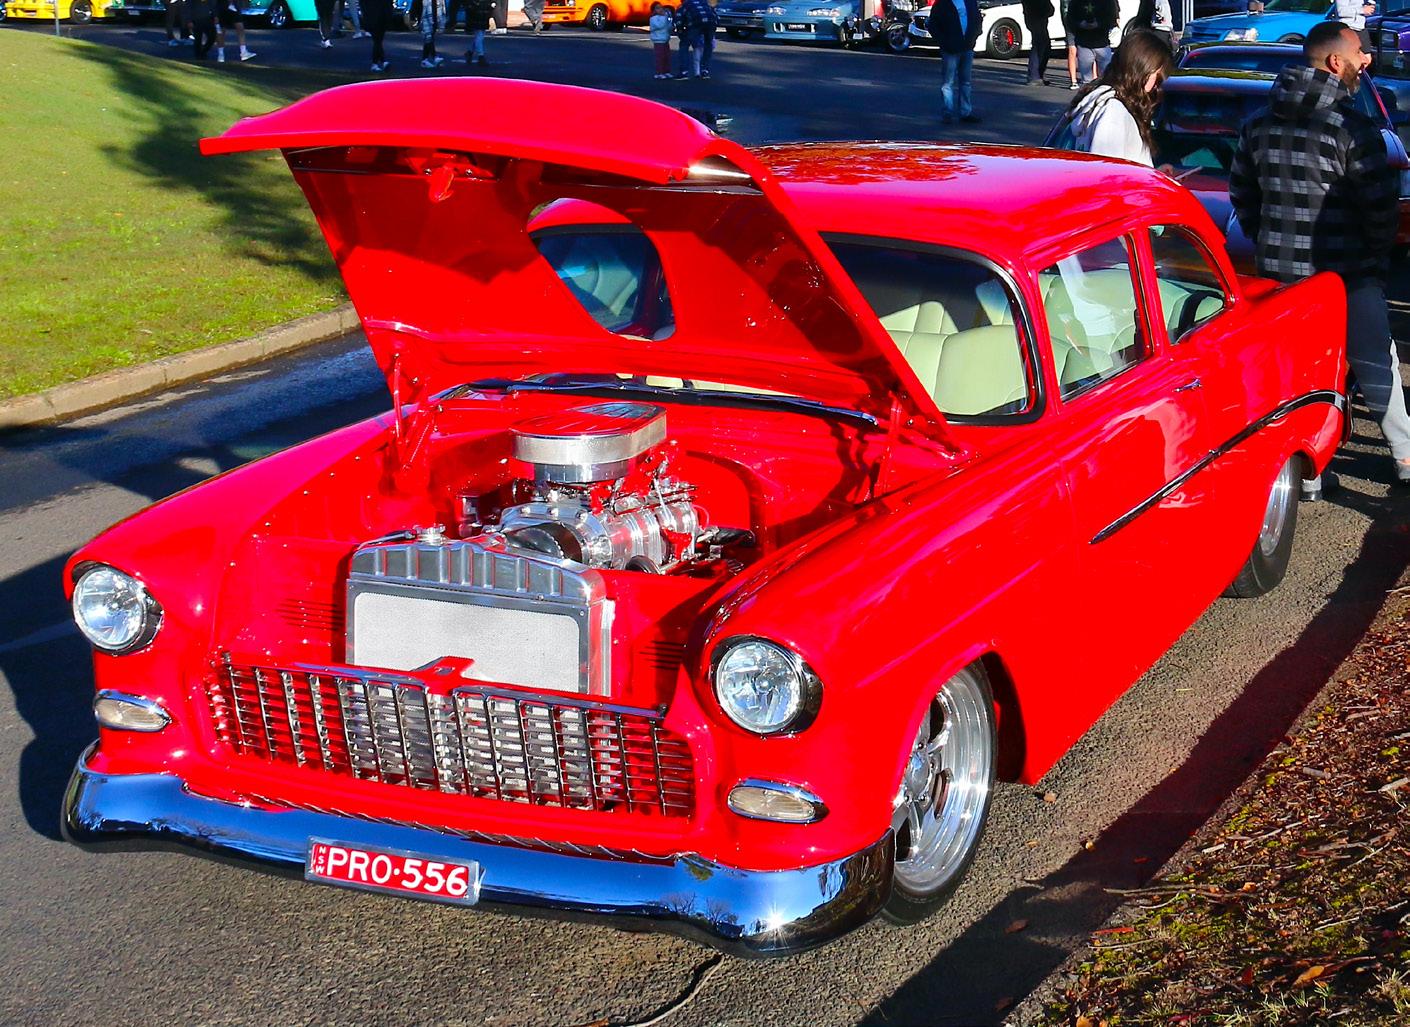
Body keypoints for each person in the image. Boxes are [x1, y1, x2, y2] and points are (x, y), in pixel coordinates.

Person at [1230, 22, 1410, 490]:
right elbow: (1380, 209)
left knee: (1298, 375)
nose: (1365, 61)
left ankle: (1308, 474)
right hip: (1349, 273)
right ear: (1334, 62)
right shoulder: (1353, 129)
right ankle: (1406, 456)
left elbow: (1242, 195)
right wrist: (1375, 260)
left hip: (1281, 277)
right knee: (1375, 362)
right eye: (1357, 54)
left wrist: (1267, 239)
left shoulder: (1257, 124)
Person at [1067, 29, 1173, 164]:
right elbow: (1106, 171)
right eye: (1157, 78)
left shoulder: (1102, 101)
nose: (1156, 87)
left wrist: (1152, 173)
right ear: (1143, 71)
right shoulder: (1114, 113)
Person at [928, 0, 983, 124]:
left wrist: (974, 37)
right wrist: (944, 43)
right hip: (950, 50)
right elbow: (933, 25)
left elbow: (977, 19)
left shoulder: (970, 2)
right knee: (948, 82)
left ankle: (965, 112)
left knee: (966, 82)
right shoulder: (942, 3)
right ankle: (947, 112)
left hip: (967, 47)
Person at [1065, 0, 1117, 83]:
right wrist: (1080, 24)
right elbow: (1070, 19)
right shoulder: (1076, 2)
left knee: (1106, 78)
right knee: (1086, 80)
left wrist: (1099, 24)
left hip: (1102, 43)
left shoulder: (1107, 2)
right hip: (1084, 43)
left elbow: (1112, 18)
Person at [676, 0, 718, 79]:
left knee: (684, 44)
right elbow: (714, 14)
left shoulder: (684, 5)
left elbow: (679, 19)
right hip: (711, 22)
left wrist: (680, 31)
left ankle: (684, 72)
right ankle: (705, 70)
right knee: (708, 44)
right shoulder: (704, 2)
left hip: (696, 23)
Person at [1023, 0, 1054, 85]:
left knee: (1045, 46)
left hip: (1035, 16)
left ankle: (1038, 74)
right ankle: (1034, 76)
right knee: (1039, 46)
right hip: (1037, 16)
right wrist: (1048, 10)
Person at [364, 0, 392, 69]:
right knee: (378, 40)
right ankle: (379, 62)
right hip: (379, 15)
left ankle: (379, 62)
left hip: (376, 15)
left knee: (378, 40)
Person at [650, 2, 673, 79]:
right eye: (657, 8)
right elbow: (659, 25)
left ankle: (666, 71)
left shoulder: (665, 17)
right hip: (658, 40)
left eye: (661, 8)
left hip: (665, 39)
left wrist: (670, 24)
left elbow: (668, 27)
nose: (660, 10)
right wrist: (664, 17)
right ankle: (659, 73)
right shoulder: (653, 18)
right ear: (653, 10)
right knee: (660, 57)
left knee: (666, 57)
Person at [420, 0, 445, 66]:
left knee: (429, 39)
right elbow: (417, 5)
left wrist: (441, 24)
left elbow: (442, 8)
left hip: (435, 19)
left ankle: (425, 60)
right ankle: (434, 57)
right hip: (425, 18)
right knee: (429, 38)